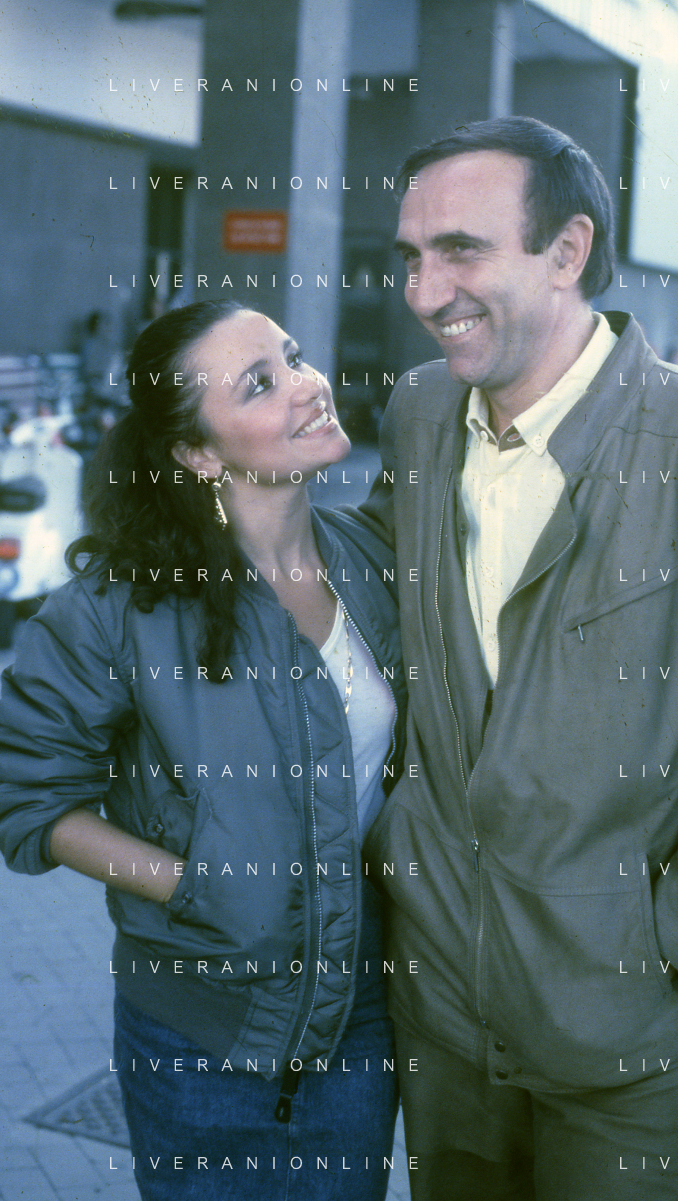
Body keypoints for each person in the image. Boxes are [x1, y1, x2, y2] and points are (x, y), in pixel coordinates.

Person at [0, 300, 405, 1200]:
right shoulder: (119, 606)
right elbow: (28, 791)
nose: (308, 386)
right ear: (199, 453)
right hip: (197, 1041)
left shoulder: (374, 562)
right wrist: (193, 883)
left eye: (293, 357)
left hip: (357, 1022)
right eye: (260, 383)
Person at [357, 117, 678, 1199]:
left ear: (566, 250)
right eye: (410, 256)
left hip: (630, 1039)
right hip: (442, 1010)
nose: (423, 290)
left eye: (460, 249)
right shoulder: (418, 411)